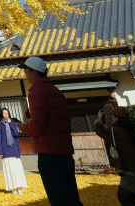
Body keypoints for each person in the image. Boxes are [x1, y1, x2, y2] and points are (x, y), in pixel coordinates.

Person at [18, 56, 83, 206]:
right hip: (64, 153)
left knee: (59, 199)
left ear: (34, 73)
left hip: (49, 153)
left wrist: (22, 127)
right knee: (71, 197)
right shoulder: (55, 91)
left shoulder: (36, 92)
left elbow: (38, 127)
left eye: (26, 71)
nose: (25, 74)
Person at [93, 105, 135, 206]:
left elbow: (100, 132)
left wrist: (99, 120)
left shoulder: (118, 131)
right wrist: (105, 123)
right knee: (127, 200)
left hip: (132, 173)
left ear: (117, 117)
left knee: (124, 199)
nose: (112, 118)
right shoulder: (127, 131)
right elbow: (111, 134)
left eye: (113, 117)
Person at [0, 107, 28, 195]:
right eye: (4, 113)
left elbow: (16, 134)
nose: (6, 115)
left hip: (14, 148)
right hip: (5, 149)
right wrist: (0, 151)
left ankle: (19, 187)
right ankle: (13, 187)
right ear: (1, 115)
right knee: (10, 169)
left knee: (17, 168)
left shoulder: (13, 123)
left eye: (7, 113)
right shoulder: (0, 125)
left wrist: (10, 124)